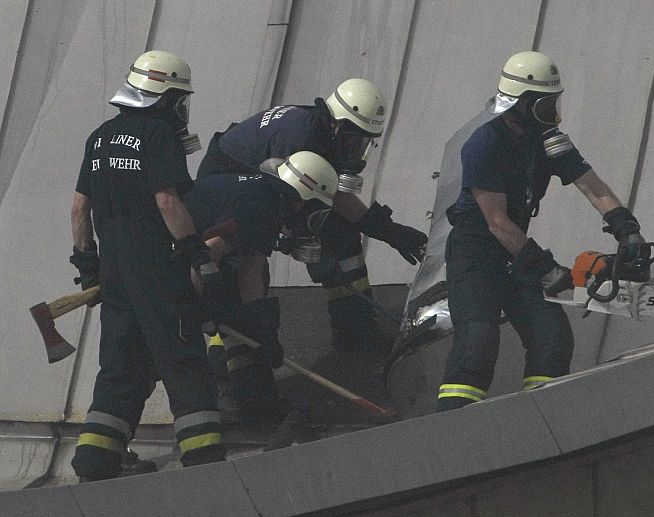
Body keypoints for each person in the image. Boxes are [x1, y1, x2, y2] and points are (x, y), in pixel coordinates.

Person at [436, 51, 654, 411]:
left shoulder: (548, 140)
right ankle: (450, 429)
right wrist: (545, 269)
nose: (552, 112)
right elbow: (497, 222)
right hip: (477, 254)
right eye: (544, 104)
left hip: (516, 253)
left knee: (551, 338)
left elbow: (591, 185)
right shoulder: (484, 144)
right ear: (520, 104)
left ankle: (541, 418)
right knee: (477, 341)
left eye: (554, 101)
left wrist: (626, 229)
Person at [69, 50, 226, 481]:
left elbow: (80, 209)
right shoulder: (160, 136)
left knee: (120, 367)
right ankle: (205, 462)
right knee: (183, 361)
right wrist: (194, 251)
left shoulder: (99, 137)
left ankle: (95, 459)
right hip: (160, 273)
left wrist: (88, 264)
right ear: (164, 96)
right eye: (179, 99)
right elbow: (166, 200)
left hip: (117, 277)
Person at [196, 78, 428, 353]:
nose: (358, 149)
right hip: (231, 182)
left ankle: (355, 330)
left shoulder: (322, 131)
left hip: (256, 178)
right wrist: (385, 230)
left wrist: (387, 230)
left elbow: (326, 196)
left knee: (338, 235)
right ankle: (228, 357)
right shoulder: (302, 140)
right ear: (338, 124)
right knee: (241, 266)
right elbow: (306, 198)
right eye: (356, 139)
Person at [183, 151, 339, 423]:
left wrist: (262, 330)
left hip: (187, 256)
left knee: (244, 319)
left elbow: (251, 267)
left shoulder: (267, 200)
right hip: (169, 259)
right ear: (301, 200)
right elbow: (202, 256)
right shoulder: (259, 208)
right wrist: (194, 308)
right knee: (167, 350)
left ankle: (253, 401)